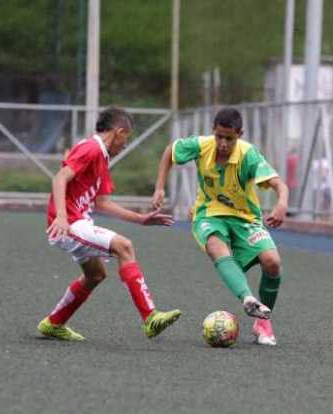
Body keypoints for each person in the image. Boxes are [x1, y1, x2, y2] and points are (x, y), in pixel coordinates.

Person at [38, 107, 181, 341]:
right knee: (124, 246)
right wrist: (62, 217)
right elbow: (60, 177)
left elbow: (102, 203)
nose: (125, 146)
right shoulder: (92, 148)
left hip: (78, 221)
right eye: (126, 139)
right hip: (68, 223)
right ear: (119, 131)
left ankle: (54, 324)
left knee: (95, 275)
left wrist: (140, 219)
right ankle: (150, 317)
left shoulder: (101, 158)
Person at [152, 108, 289, 346]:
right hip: (208, 214)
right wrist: (160, 187)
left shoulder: (249, 155)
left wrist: (281, 204)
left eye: (229, 138)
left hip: (245, 218)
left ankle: (262, 323)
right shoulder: (201, 145)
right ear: (213, 131)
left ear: (240, 134)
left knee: (272, 262)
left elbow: (280, 185)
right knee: (216, 245)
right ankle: (247, 298)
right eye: (219, 137)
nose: (223, 143)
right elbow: (169, 152)